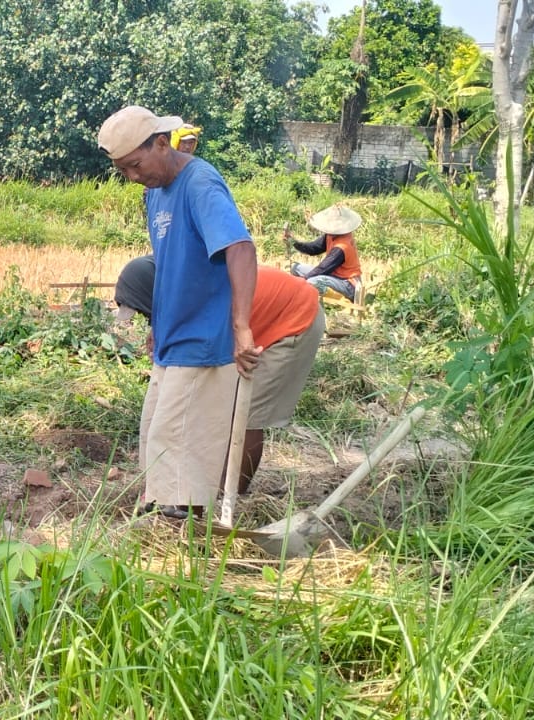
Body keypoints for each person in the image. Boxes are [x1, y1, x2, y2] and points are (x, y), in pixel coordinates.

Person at [96, 105, 261, 519]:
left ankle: (178, 535)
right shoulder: (155, 191)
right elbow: (170, 262)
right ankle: (163, 516)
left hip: (203, 337)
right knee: (155, 434)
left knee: (178, 438)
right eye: (123, 171)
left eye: (136, 164)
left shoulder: (200, 183)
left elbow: (239, 247)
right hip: (174, 336)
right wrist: (158, 323)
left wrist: (241, 326)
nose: (133, 177)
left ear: (160, 143)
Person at [114, 256, 324, 495]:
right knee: (220, 407)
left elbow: (204, 370)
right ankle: (214, 485)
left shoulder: (211, 303)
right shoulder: (189, 289)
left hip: (295, 318)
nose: (148, 319)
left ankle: (231, 494)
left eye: (147, 312)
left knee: (244, 415)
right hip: (263, 316)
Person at [289, 204, 363, 301]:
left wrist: (302, 280)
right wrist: (293, 242)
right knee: (295, 268)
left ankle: (342, 299)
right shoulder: (331, 235)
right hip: (334, 276)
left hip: (348, 284)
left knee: (312, 282)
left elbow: (323, 269)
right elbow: (313, 248)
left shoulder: (342, 247)